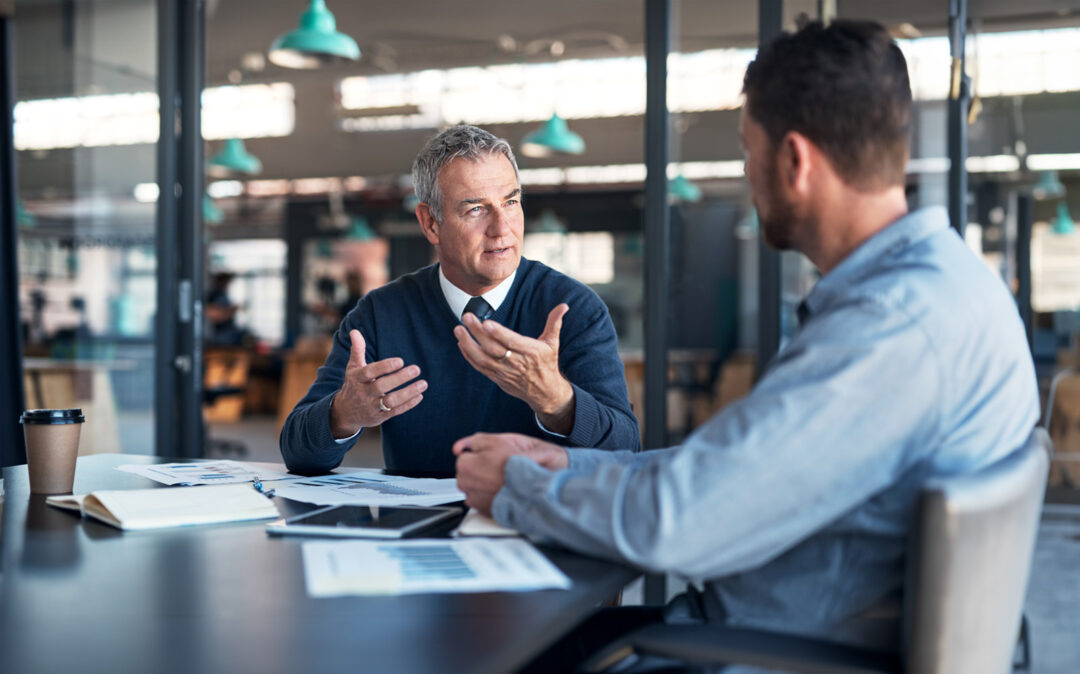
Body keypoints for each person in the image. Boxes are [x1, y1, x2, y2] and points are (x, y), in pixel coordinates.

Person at [453, 19, 1039, 666]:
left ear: (795, 162)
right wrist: (565, 465)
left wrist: (516, 487)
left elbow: (680, 522)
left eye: (747, 152)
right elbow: (730, 474)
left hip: (753, 651)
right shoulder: (949, 287)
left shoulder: (890, 326)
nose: (746, 176)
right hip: (780, 632)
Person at [281, 125, 639, 477]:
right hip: (414, 528)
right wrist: (343, 413)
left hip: (531, 523)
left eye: (511, 202)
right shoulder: (379, 314)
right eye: (476, 209)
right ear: (431, 223)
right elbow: (297, 452)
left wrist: (558, 402)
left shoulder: (574, 310)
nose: (502, 228)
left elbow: (626, 451)